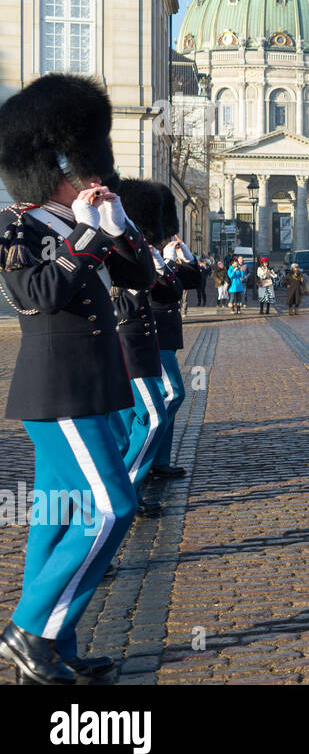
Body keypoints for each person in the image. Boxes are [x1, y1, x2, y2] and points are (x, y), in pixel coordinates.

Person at [0, 74, 155, 683]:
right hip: (57, 390)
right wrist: (89, 235)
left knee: (57, 517)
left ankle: (54, 643)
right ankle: (31, 628)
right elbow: (35, 296)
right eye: (81, 171)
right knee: (115, 508)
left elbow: (145, 280)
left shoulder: (82, 220)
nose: (93, 179)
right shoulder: (19, 226)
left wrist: (118, 224)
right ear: (53, 169)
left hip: (91, 390)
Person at [106, 179, 169, 514]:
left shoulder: (133, 249)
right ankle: (125, 487)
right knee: (153, 417)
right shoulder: (106, 249)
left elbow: (165, 288)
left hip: (140, 349)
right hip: (127, 349)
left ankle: (127, 488)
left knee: (128, 428)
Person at [153, 197, 198, 484]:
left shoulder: (156, 257)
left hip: (164, 338)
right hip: (149, 338)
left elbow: (192, 280)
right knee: (171, 395)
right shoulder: (141, 258)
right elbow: (160, 289)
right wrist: (166, 260)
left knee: (163, 400)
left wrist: (186, 256)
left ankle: (159, 460)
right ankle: (140, 462)